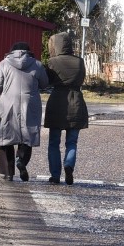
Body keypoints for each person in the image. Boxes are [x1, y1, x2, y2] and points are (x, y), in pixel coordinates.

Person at [0, 42, 49, 181]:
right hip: (30, 105)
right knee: (27, 137)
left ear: (11, 52)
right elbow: (44, 83)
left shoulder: (4, 64)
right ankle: (21, 160)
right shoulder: (37, 65)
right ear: (28, 52)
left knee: (6, 138)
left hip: (7, 105)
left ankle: (8, 173)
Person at [44, 32, 89, 185]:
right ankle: (69, 165)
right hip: (76, 100)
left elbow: (47, 82)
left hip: (57, 101)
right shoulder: (80, 62)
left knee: (53, 143)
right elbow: (81, 79)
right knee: (71, 142)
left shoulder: (52, 61)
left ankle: (55, 176)